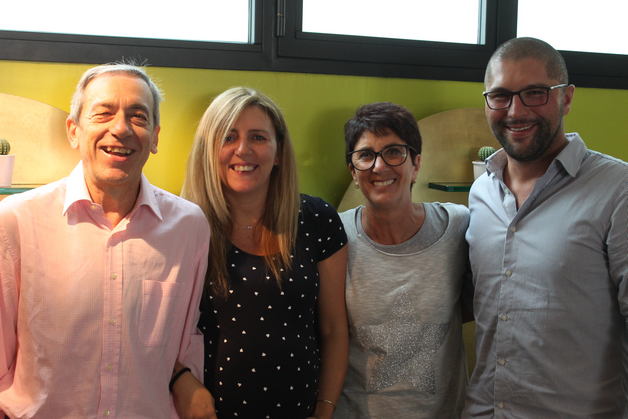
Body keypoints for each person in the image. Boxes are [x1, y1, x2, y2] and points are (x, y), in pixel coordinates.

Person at [0, 63, 210, 418]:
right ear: (74, 130)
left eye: (138, 117)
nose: (121, 128)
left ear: (155, 137)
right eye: (103, 113)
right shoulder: (17, 221)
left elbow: (184, 343)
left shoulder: (188, 227)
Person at [464, 37, 627, 418]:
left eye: (535, 93)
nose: (515, 110)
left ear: (566, 98)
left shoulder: (617, 190)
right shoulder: (481, 192)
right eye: (500, 96)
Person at [174, 87, 349, 419]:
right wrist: (180, 380)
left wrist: (325, 410)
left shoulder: (317, 219)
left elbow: (334, 328)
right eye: (228, 137)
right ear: (208, 150)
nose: (243, 150)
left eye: (258, 137)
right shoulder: (182, 226)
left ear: (279, 152)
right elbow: (153, 333)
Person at [335, 102, 472, 418]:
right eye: (365, 155)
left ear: (416, 163)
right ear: (353, 171)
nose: (379, 166)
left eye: (394, 152)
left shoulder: (457, 226)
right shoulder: (335, 236)